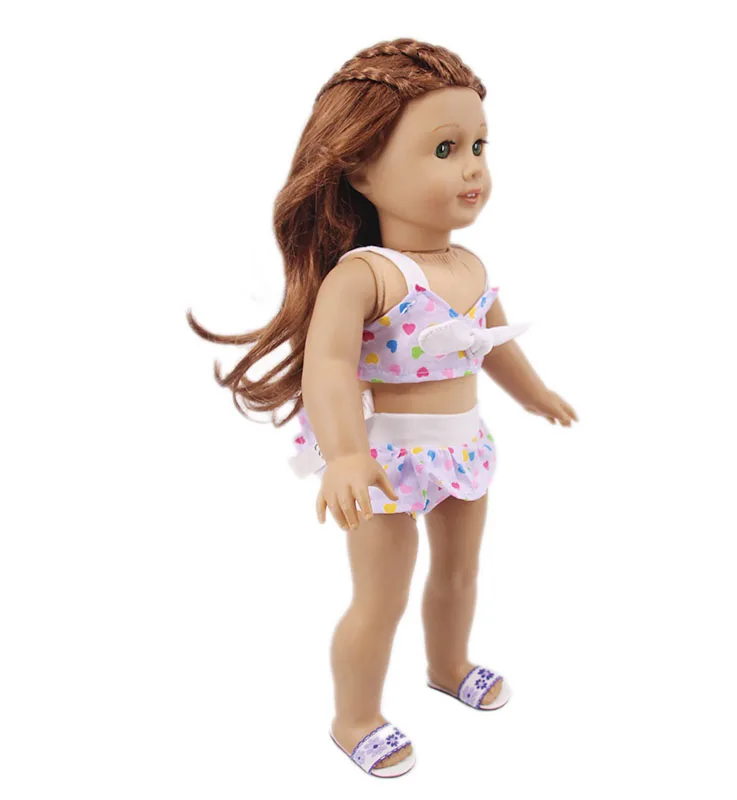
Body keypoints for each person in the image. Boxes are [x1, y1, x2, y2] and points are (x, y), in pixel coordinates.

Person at [188, 37, 578, 778]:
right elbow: (330, 367)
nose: (472, 167)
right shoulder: (365, 274)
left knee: (460, 573)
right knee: (381, 594)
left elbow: (492, 345)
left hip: (464, 446)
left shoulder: (471, 266)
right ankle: (355, 717)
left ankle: (449, 666)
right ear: (361, 169)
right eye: (444, 149)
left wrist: (536, 395)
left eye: (479, 147)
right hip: (386, 459)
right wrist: (344, 455)